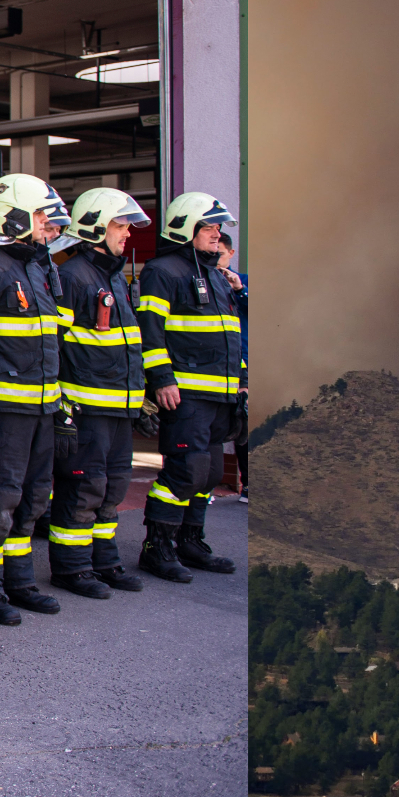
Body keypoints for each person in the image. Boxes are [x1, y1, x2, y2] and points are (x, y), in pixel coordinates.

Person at [0, 173, 70, 625]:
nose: (48, 225)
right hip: (0, 415)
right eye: (42, 215)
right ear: (15, 217)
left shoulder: (35, 268)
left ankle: (18, 581)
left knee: (32, 497)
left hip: (40, 411)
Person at [46, 187, 152, 598]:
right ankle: (72, 568)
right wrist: (63, 407)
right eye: (120, 225)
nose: (127, 234)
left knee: (113, 487)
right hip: (87, 408)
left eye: (127, 226)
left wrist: (138, 396)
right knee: (83, 487)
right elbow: (55, 343)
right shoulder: (73, 277)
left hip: (119, 407)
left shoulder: (113, 277)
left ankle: (103, 560)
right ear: (94, 227)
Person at [136, 192, 243, 581]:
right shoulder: (163, 271)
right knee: (186, 470)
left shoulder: (216, 274)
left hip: (220, 395)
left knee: (211, 471)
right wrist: (161, 379)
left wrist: (242, 383)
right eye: (209, 227)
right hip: (186, 393)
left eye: (219, 228)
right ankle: (157, 547)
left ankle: (190, 541)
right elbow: (150, 331)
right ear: (185, 228)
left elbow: (230, 335)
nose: (217, 234)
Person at [217, 231, 248, 504]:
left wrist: (240, 290)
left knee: (245, 421)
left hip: (244, 363)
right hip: (217, 367)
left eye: (222, 256)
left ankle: (249, 483)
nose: (219, 261)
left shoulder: (242, 283)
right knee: (220, 424)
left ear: (231, 254)